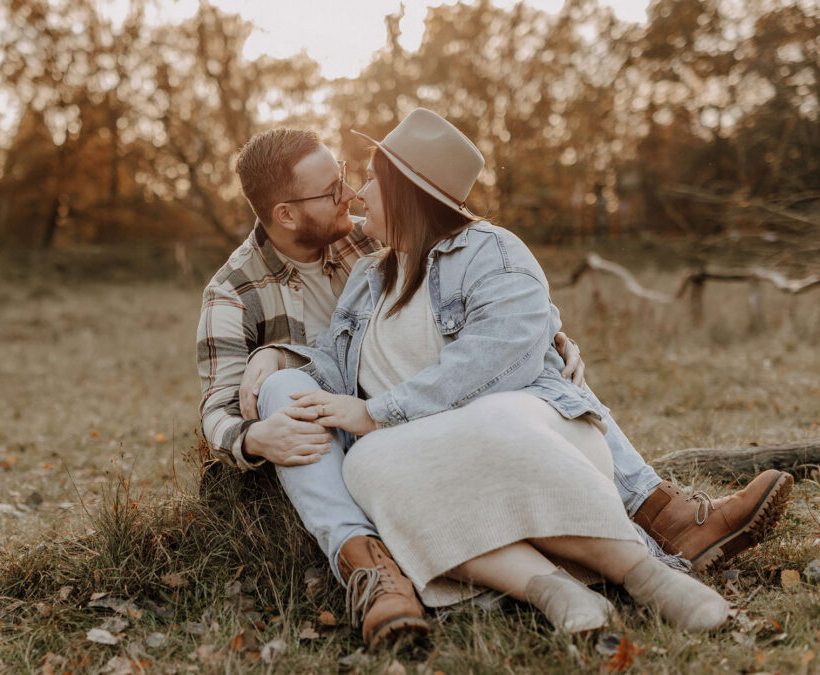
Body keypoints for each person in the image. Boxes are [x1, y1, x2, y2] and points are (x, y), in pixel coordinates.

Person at [196, 122, 792, 644]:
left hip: (454, 418)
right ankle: (384, 571)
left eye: (360, 180)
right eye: (334, 191)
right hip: (367, 446)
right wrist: (271, 384)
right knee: (346, 441)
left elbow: (494, 343)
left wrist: (547, 339)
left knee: (499, 412)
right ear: (285, 214)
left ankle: (653, 541)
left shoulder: (456, 247)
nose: (352, 196)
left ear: (405, 193)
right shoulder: (256, 288)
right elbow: (301, 373)